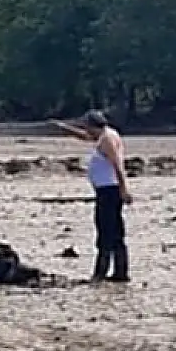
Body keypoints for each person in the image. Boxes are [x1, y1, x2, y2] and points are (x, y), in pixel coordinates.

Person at [48, 110, 131, 282]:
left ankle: (102, 273)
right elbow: (86, 137)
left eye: (87, 126)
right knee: (114, 232)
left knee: (106, 231)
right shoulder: (106, 135)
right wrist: (64, 129)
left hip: (109, 190)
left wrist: (124, 189)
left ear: (94, 126)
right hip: (107, 190)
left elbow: (117, 165)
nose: (86, 130)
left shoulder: (107, 140)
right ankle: (119, 272)